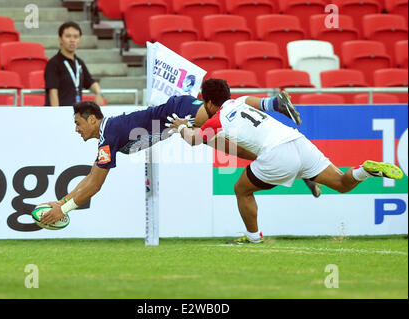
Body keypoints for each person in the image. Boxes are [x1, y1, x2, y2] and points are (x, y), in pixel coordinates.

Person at [168, 79, 404, 244]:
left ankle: (253, 238)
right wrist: (275, 104)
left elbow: (193, 140)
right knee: (342, 183)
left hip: (276, 155)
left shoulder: (216, 120)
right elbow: (259, 103)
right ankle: (364, 170)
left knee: (242, 190)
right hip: (296, 141)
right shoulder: (240, 102)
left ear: (209, 103)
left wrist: (181, 127)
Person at [38, 90, 315, 226]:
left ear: (93, 118)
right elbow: (90, 177)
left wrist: (65, 209)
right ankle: (306, 172)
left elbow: (95, 183)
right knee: (235, 148)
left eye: (78, 123)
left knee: (228, 112)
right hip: (175, 120)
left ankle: (271, 104)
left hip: (177, 111)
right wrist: (62, 202)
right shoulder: (108, 133)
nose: (76, 129)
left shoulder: (108, 134)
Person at [44, 21, 105, 106]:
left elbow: (90, 82)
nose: (72, 40)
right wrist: (57, 114)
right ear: (60, 39)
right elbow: (53, 92)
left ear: (79, 40)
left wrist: (99, 93)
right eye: (68, 36)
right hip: (61, 112)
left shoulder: (79, 63)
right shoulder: (53, 63)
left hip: (76, 114)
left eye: (76, 37)